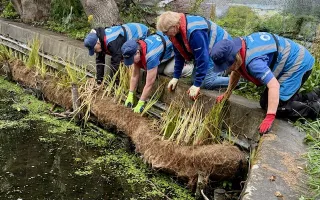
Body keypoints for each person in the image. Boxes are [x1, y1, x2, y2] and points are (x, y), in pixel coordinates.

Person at [211, 32, 320, 135]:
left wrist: (270, 116)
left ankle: (315, 107)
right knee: (266, 101)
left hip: (298, 63)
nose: (226, 69)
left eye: (227, 65)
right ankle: (313, 95)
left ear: (234, 58)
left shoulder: (254, 63)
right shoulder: (238, 49)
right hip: (291, 57)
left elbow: (274, 85)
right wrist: (227, 93)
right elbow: (236, 72)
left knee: (275, 107)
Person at [156, 11, 231, 100]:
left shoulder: (195, 32)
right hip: (209, 52)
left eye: (165, 31)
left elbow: (202, 58)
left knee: (206, 83)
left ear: (174, 26)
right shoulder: (175, 33)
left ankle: (235, 81)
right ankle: (218, 72)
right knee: (193, 80)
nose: (164, 34)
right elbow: (179, 55)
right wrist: (176, 77)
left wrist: (197, 85)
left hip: (222, 51)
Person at [121, 31, 193, 113]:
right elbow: (135, 75)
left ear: (137, 52)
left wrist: (141, 103)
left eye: (131, 59)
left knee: (167, 71)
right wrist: (130, 94)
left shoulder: (151, 56)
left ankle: (189, 67)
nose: (131, 62)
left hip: (177, 52)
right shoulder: (137, 49)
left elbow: (149, 84)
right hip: (162, 52)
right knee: (155, 70)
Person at [84, 23, 149, 84]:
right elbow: (99, 61)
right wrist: (99, 81)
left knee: (137, 58)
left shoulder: (112, 42)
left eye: (94, 50)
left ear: (98, 43)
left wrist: (112, 84)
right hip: (129, 33)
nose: (95, 52)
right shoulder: (98, 38)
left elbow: (116, 64)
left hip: (142, 33)